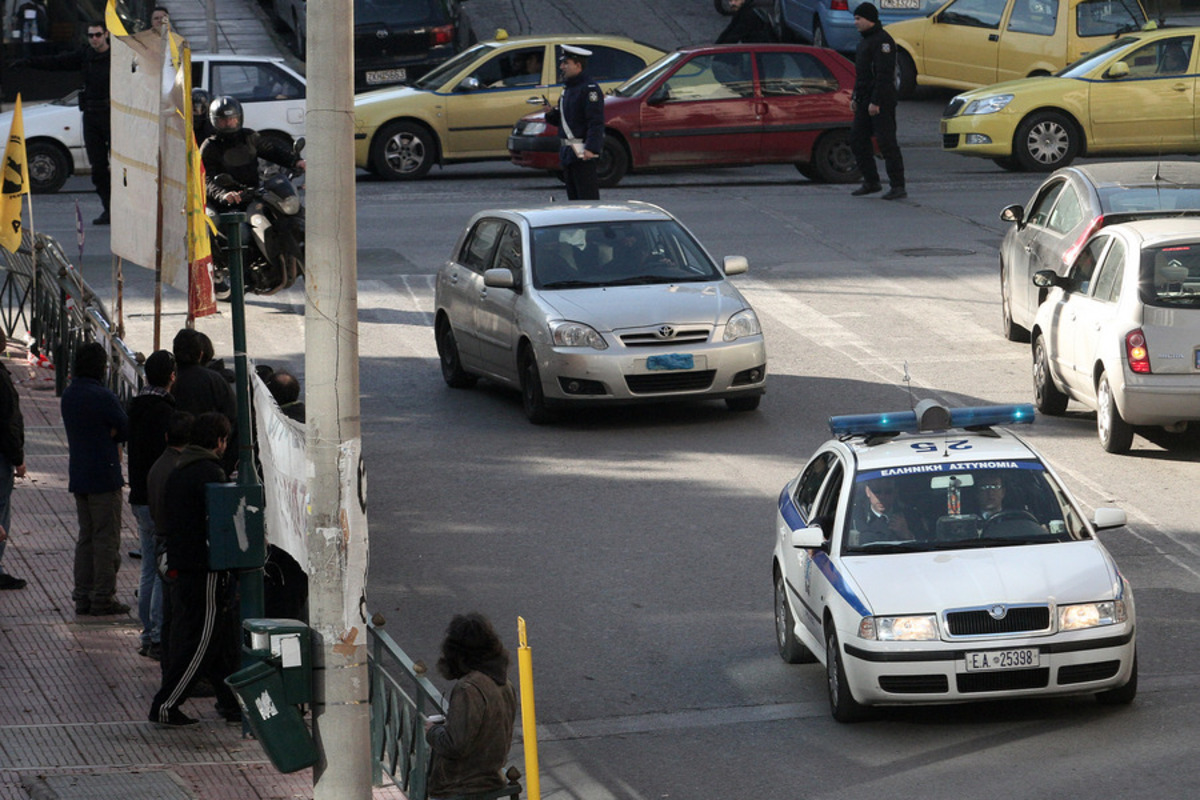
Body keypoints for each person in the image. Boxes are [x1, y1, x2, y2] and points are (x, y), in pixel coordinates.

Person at [149, 412, 241, 727]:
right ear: (218, 441)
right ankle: (166, 704)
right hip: (204, 570)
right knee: (201, 642)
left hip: (185, 565)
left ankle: (231, 703)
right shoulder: (209, 473)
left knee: (219, 643)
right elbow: (223, 523)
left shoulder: (183, 468)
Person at [13, 21, 112, 223]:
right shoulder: (86, 56)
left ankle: (127, 210)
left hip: (113, 116)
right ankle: (109, 209)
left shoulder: (118, 58)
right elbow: (57, 62)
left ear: (106, 34)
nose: (94, 39)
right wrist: (28, 62)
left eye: (98, 35)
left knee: (122, 167)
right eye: (91, 35)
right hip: (92, 116)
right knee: (98, 167)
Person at [61, 341, 129, 615]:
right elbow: (125, 427)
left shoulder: (70, 394)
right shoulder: (103, 396)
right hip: (103, 473)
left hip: (80, 473)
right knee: (106, 538)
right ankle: (103, 595)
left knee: (86, 536)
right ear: (101, 368)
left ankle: (83, 594)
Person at [425, 613, 518, 799]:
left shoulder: (468, 688)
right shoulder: (504, 683)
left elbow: (455, 745)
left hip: (462, 786)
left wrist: (432, 732)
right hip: (491, 778)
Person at [127, 350, 176, 660]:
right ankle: (156, 635)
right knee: (160, 570)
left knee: (147, 568)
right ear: (172, 377)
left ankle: (147, 633)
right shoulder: (165, 412)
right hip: (158, 499)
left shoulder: (135, 405)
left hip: (138, 496)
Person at [201, 95, 305, 211]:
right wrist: (222, 194)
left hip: (253, 196)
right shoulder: (210, 146)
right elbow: (205, 178)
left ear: (239, 118)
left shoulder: (249, 137)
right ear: (214, 121)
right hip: (223, 203)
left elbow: (271, 151)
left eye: (232, 119)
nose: (229, 123)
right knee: (212, 220)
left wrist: (295, 161)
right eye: (223, 121)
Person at [849, 3, 906, 201]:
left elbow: (883, 75)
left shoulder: (883, 42)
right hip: (865, 99)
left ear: (869, 19)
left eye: (858, 19)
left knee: (886, 142)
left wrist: (876, 101)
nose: (855, 22)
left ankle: (898, 185)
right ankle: (871, 181)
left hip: (881, 100)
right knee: (857, 138)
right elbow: (862, 74)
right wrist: (856, 97)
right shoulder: (864, 42)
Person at [544, 45, 603, 201]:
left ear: (578, 65)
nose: (562, 67)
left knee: (587, 199)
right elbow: (566, 120)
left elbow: (595, 122)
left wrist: (591, 148)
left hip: (581, 149)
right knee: (574, 199)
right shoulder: (568, 89)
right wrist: (551, 113)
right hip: (568, 151)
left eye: (566, 63)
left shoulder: (589, 89)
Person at [0, 329, 27, 590]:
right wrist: (18, 457)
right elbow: (7, 423)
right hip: (1, 457)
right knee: (1, 510)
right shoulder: (2, 381)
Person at [854, 478, 926, 544]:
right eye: (877, 491)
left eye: (888, 492)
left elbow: (925, 545)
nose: (882, 497)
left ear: (895, 492)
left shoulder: (911, 516)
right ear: (868, 491)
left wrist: (907, 534)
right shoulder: (853, 518)